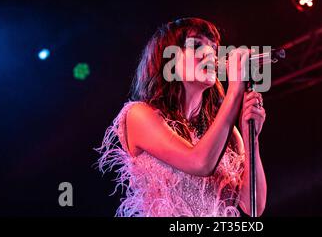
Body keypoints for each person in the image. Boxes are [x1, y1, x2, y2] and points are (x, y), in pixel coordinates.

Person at [96, 17, 267, 217]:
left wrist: (250, 138)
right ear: (169, 60)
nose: (210, 54)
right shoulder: (139, 115)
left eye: (213, 47)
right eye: (196, 45)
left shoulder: (227, 133)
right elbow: (199, 163)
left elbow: (253, 207)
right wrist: (235, 91)